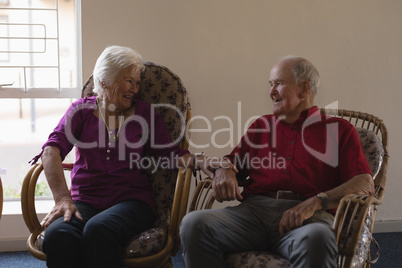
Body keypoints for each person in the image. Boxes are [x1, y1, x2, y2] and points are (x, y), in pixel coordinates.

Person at [30, 45, 232, 268]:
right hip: (85, 201)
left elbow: (169, 152)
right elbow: (51, 150)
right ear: (105, 79)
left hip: (132, 202)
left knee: (99, 229)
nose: (135, 89)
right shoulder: (80, 112)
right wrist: (62, 198)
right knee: (59, 235)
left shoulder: (144, 113)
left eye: (137, 83)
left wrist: (199, 160)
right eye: (129, 81)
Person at [179, 56, 375, 268]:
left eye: (279, 84)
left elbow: (364, 182)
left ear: (303, 89)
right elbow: (231, 162)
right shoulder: (261, 126)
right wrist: (223, 169)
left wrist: (316, 202)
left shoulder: (338, 130)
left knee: (318, 237)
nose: (271, 91)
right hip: (252, 214)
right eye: (270, 84)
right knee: (193, 224)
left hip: (308, 218)